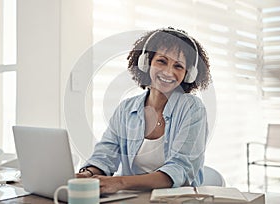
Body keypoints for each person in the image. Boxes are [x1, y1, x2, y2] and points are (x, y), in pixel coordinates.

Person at [76, 27, 211, 194]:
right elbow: (105, 155)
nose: (169, 72)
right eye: (162, 61)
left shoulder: (192, 109)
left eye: (178, 66)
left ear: (188, 74)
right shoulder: (126, 109)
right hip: (132, 199)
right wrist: (87, 174)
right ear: (146, 62)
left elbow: (179, 169)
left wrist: (119, 182)